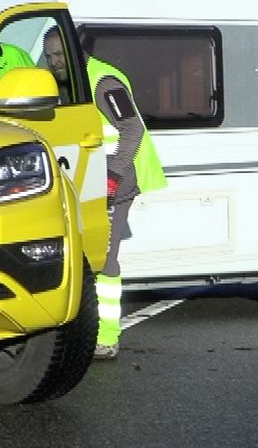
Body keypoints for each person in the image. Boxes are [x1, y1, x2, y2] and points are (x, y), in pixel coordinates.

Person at [44, 28, 168, 360]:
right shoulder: (65, 82)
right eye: (49, 56)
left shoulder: (102, 82)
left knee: (105, 258)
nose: (55, 62)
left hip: (117, 183)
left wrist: (112, 177)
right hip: (89, 184)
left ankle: (107, 337)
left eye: (60, 55)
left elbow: (133, 129)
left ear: (74, 51)